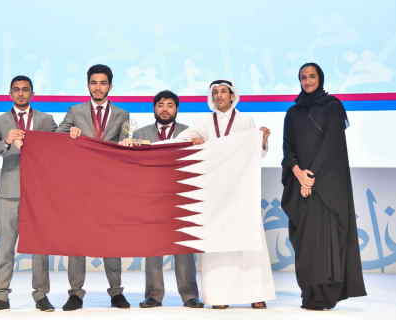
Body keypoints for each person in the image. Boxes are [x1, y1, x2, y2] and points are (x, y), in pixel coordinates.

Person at [177, 80, 275, 309]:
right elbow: (182, 141)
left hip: (241, 191)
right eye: (215, 92)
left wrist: (262, 140)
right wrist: (196, 142)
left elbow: (255, 154)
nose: (219, 95)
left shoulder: (246, 121)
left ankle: (255, 294)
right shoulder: (203, 123)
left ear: (233, 96)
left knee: (248, 241)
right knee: (217, 243)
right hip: (214, 194)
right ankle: (219, 297)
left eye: (224, 91)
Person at [281, 62, 367, 310]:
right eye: (303, 77)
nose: (307, 81)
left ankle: (327, 295)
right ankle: (309, 293)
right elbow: (288, 149)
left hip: (327, 187)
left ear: (320, 78)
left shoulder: (332, 107)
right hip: (300, 187)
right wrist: (298, 173)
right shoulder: (293, 112)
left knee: (327, 240)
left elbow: (332, 146)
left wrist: (311, 177)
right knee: (305, 242)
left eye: (311, 76)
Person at [0, 75, 57, 313]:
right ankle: (1, 296)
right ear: (10, 94)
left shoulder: (45, 119)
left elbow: (56, 151)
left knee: (39, 248)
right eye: (16, 90)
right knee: (6, 246)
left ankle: (41, 295)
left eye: (25, 90)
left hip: (38, 193)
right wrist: (5, 142)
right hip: (10, 194)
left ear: (32, 93)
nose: (21, 93)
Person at [56, 64, 130, 310]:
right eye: (94, 83)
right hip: (81, 186)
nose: (98, 87)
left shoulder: (122, 114)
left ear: (110, 85)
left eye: (103, 83)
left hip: (109, 186)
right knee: (76, 240)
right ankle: (75, 293)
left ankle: (116, 292)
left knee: (112, 239)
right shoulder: (75, 111)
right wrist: (70, 135)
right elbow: (56, 137)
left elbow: (125, 145)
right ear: (87, 85)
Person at [131, 90, 203, 308]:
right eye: (160, 104)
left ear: (176, 109)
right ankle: (153, 295)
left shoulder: (190, 133)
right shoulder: (139, 133)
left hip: (182, 196)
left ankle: (189, 295)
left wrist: (201, 144)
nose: (164, 109)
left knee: (184, 248)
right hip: (151, 198)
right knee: (152, 248)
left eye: (169, 105)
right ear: (154, 108)